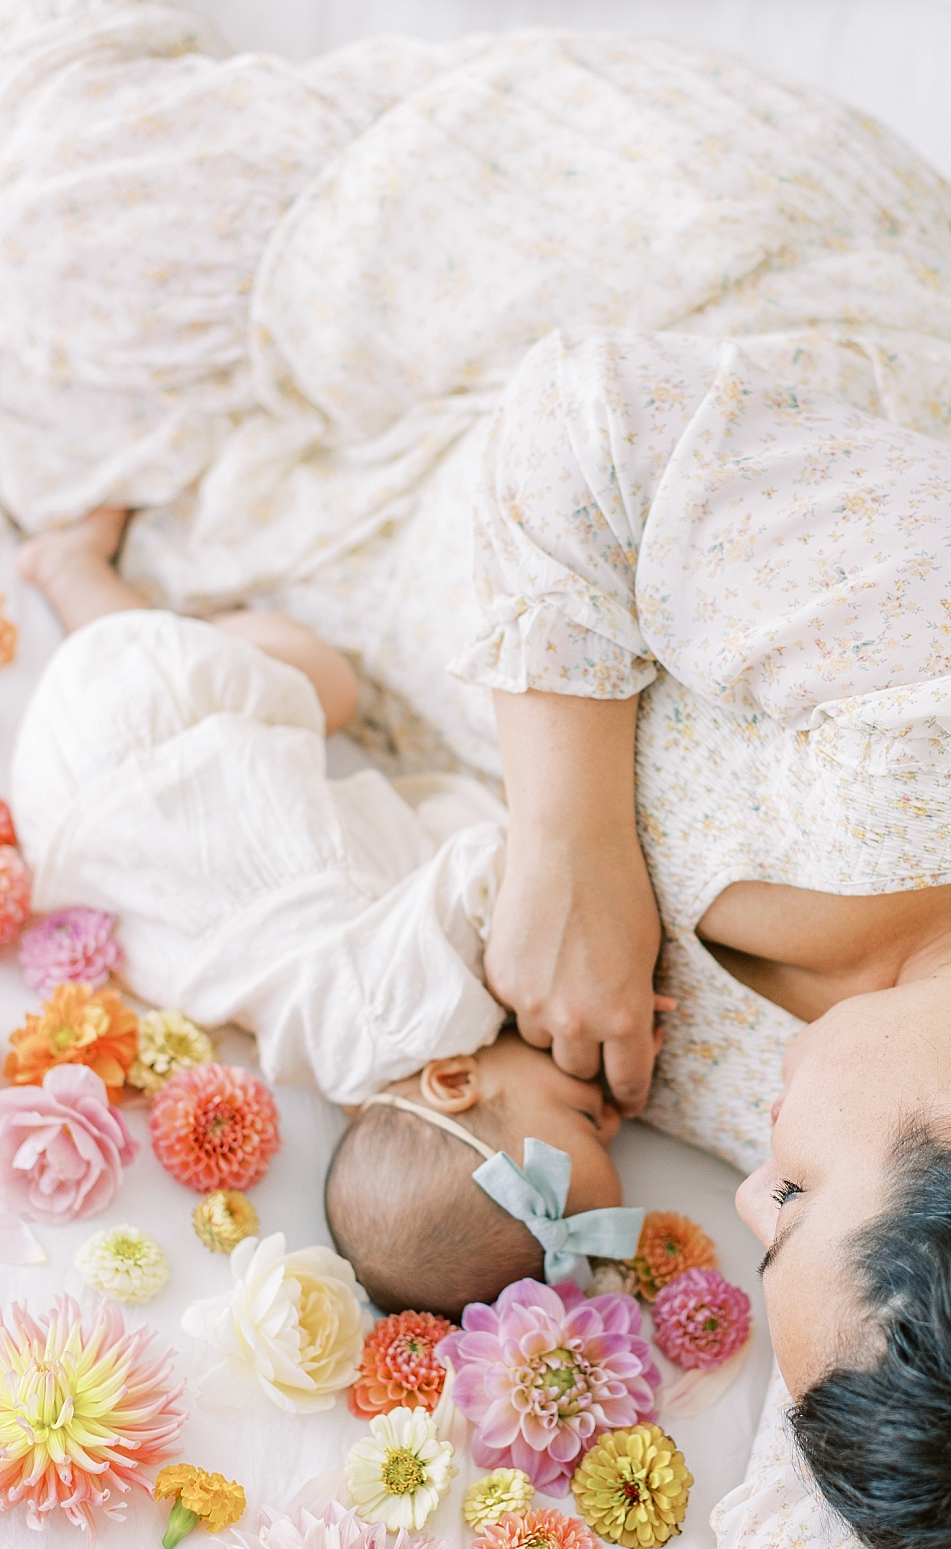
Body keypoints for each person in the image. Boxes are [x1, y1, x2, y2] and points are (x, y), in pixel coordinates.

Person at [5, 0, 951, 1549]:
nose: (741, 1195)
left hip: (437, 634)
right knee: (74, 228)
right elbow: (598, 421)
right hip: (631, 291)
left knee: (74, 505)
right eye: (794, 1203)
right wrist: (575, 834)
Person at [8, 533, 647, 1315]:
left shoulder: (427, 1012)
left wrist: (549, 961)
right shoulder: (335, 1059)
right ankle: (79, 589)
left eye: (585, 1118)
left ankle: (83, 575)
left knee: (328, 687)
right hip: (74, 833)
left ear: (452, 1081)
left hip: (142, 736)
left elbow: (492, 864)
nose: (615, 1112)